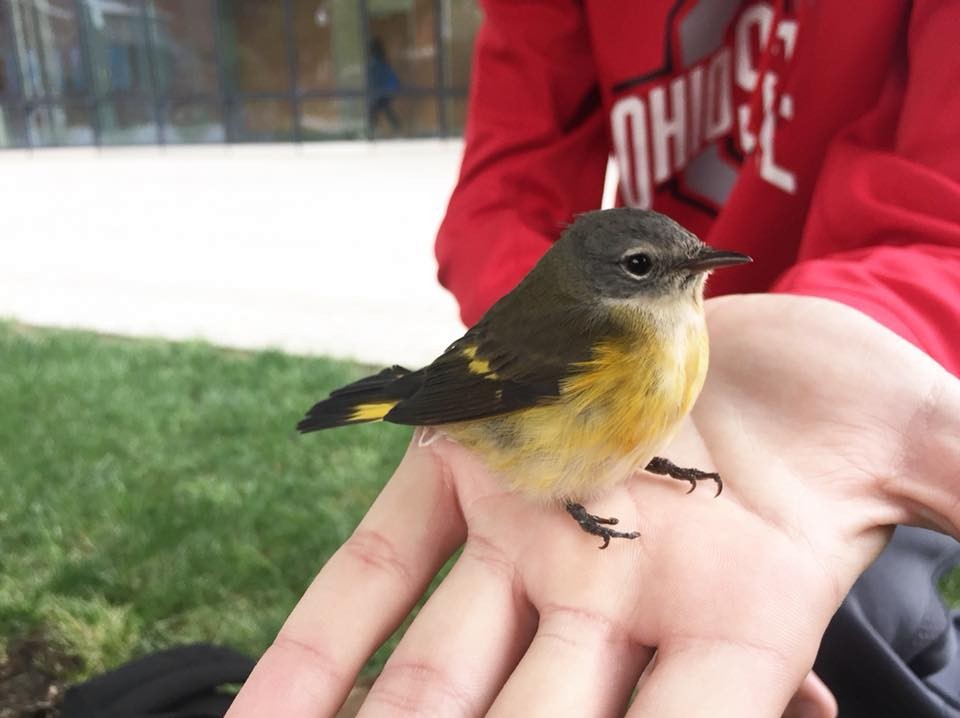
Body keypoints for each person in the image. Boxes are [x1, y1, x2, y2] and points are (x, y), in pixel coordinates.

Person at [228, 1, 960, 715]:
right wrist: (561, 488)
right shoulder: (606, 341)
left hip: (786, 408)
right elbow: (505, 202)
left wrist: (864, 324)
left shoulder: (684, 323)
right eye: (648, 266)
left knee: (871, 628)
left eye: (692, 258)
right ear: (610, 279)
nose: (691, 270)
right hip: (489, 395)